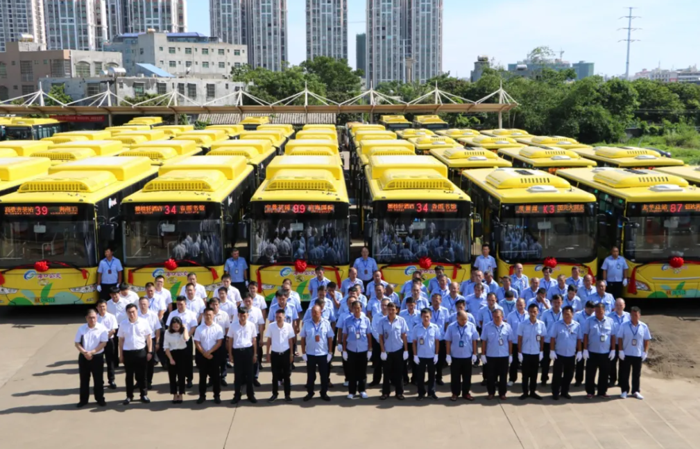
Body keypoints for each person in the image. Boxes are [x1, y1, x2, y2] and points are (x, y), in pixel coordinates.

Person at [118, 304, 153, 405]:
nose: (131, 314)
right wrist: (121, 355)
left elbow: (149, 337)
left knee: (142, 375)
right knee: (129, 376)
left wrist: (149, 351)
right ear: (126, 313)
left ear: (137, 311)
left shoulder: (143, 322)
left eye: (133, 311)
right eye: (129, 312)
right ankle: (129, 396)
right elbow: (121, 340)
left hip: (141, 352)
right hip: (128, 353)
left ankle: (144, 395)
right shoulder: (123, 324)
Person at [74, 309, 109, 407]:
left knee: (98, 380)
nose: (92, 320)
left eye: (94, 317)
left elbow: (103, 343)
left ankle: (100, 399)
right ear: (86, 318)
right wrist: (85, 352)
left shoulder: (102, 328)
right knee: (84, 379)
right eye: (90, 318)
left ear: (96, 317)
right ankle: (83, 400)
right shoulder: (81, 329)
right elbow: (77, 343)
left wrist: (92, 352)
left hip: (97, 357)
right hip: (84, 356)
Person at [617, 306, 652, 400]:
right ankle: (624, 391)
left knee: (636, 374)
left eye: (635, 315)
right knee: (625, 373)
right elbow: (619, 338)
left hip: (638, 354)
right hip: (627, 353)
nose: (634, 317)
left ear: (639, 315)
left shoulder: (644, 326)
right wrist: (620, 350)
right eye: (632, 315)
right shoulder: (624, 325)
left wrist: (645, 352)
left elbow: (647, 339)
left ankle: (635, 391)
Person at [582, 303, 616, 398]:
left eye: (600, 311)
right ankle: (590, 392)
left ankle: (602, 391)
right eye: (596, 311)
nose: (598, 313)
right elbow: (585, 335)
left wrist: (613, 349)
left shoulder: (610, 321)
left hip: (605, 353)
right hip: (592, 352)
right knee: (590, 373)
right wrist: (585, 349)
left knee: (604, 373)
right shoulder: (589, 321)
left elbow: (613, 336)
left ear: (604, 311)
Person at [301, 305, 334, 401]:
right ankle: (310, 393)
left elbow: (330, 338)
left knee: (324, 376)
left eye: (316, 312)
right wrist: (303, 353)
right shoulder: (306, 323)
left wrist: (330, 353)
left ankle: (324, 393)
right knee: (310, 376)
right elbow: (302, 339)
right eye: (312, 312)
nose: (314, 314)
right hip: (310, 354)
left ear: (320, 313)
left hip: (323, 354)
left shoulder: (326, 323)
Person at [444, 310, 479, 401]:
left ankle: (466, 393)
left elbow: (474, 340)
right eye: (462, 319)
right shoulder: (451, 327)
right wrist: (448, 355)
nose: (464, 321)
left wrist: (475, 354)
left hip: (467, 356)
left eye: (465, 319)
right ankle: (455, 393)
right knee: (455, 376)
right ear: (457, 318)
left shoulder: (471, 326)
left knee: (467, 376)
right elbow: (448, 341)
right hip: (455, 357)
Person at [378, 302, 409, 400]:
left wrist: (406, 350)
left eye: (393, 309)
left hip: (398, 350)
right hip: (387, 351)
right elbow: (381, 337)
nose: (391, 312)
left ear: (396, 310)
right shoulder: (382, 321)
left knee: (399, 373)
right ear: (386, 310)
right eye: (389, 309)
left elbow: (404, 336)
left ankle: (399, 393)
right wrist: (382, 351)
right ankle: (385, 392)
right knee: (386, 373)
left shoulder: (401, 320)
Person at [342, 300, 373, 399]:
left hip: (363, 350)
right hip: (351, 350)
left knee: (362, 372)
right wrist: (344, 351)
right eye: (354, 308)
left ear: (361, 308)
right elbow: (344, 336)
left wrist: (369, 350)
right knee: (352, 372)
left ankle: (362, 390)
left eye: (358, 308)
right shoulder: (347, 320)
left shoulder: (366, 320)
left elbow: (369, 336)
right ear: (352, 309)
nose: (356, 310)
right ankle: (352, 391)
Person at [549, 305, 581, 400]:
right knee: (557, 376)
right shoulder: (557, 324)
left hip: (571, 355)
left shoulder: (577, 325)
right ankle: (555, 392)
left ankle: (564, 391)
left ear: (572, 314)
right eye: (564, 314)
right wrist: (552, 351)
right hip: (559, 354)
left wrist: (579, 351)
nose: (566, 316)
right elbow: (552, 338)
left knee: (569, 375)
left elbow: (579, 339)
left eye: (568, 314)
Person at [166, 296, 199, 388]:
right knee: (177, 360)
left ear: (185, 304)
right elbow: (168, 327)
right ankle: (179, 379)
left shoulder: (191, 314)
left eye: (181, 304)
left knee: (188, 360)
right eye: (178, 304)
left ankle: (189, 379)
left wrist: (187, 336)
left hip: (186, 340)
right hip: (174, 341)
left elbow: (193, 327)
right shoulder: (172, 314)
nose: (179, 306)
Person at [228, 306, 258, 404]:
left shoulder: (251, 325)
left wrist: (255, 354)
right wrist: (230, 354)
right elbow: (230, 340)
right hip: (237, 352)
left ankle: (250, 395)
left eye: (244, 315)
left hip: (248, 351)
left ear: (247, 315)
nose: (242, 317)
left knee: (250, 375)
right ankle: (237, 395)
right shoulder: (233, 325)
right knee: (238, 376)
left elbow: (254, 340)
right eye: (240, 315)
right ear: (238, 315)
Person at [194, 308, 225, 404]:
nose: (208, 317)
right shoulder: (199, 328)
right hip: (202, 355)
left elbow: (219, 342)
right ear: (203, 316)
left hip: (214, 355)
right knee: (202, 377)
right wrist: (204, 353)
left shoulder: (218, 328)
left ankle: (217, 395)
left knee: (216, 377)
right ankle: (202, 396)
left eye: (210, 315)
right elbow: (197, 342)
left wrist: (210, 352)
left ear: (213, 316)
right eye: (206, 315)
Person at [265, 308, 295, 402]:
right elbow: (269, 340)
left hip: (285, 354)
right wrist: (267, 353)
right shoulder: (271, 326)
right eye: (277, 317)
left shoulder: (288, 326)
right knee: (275, 376)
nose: (278, 318)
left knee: (287, 375)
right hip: (275, 354)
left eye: (280, 317)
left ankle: (287, 395)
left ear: (284, 317)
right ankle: (274, 394)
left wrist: (291, 354)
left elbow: (291, 341)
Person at [480, 309, 512, 400]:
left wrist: (510, 355)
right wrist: (483, 354)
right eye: (494, 317)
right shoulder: (487, 326)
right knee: (491, 376)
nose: (496, 319)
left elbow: (510, 341)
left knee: (503, 376)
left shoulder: (507, 327)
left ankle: (502, 393)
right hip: (491, 355)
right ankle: (491, 393)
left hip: (503, 355)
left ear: (502, 317)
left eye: (498, 317)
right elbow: (484, 341)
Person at [411, 308, 441, 400]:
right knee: (420, 376)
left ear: (430, 317)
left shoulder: (435, 327)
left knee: (432, 375)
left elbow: (437, 342)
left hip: (431, 356)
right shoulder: (416, 328)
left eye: (427, 316)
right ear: (421, 317)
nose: (426, 318)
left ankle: (431, 392)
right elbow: (414, 342)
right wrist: (415, 355)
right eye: (424, 316)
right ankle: (421, 393)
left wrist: (436, 354)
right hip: (420, 356)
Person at [517, 303, 546, 400]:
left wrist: (541, 351)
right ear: (528, 312)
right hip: (525, 353)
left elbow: (542, 339)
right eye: (531, 312)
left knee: (534, 374)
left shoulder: (541, 324)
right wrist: (519, 352)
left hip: (535, 353)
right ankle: (525, 392)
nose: (533, 314)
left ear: (537, 312)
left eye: (535, 311)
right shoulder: (523, 324)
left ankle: (533, 392)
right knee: (525, 375)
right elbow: (520, 339)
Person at [137, 297, 162, 390]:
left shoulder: (153, 315)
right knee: (139, 362)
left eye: (145, 304)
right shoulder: (136, 315)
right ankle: (139, 381)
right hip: (139, 341)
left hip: (151, 340)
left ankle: (148, 381)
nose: (143, 306)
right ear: (139, 305)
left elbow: (158, 329)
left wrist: (158, 342)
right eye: (141, 304)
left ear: (148, 305)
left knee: (150, 363)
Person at [164, 317, 190, 403]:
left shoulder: (183, 332)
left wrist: (185, 328)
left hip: (182, 354)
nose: (175, 327)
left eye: (177, 325)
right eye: (174, 325)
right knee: (172, 376)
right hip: (171, 354)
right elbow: (166, 346)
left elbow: (186, 338)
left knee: (181, 375)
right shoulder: (167, 332)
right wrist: (171, 359)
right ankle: (174, 394)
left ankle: (181, 394)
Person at [540, 294, 563, 386]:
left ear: (562, 302)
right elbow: (542, 327)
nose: (557, 304)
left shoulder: (564, 313)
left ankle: (557, 380)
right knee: (545, 362)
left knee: (559, 364)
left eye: (558, 302)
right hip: (547, 341)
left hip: (560, 342)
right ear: (552, 302)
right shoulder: (546, 313)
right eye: (555, 302)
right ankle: (544, 379)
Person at [96, 299, 118, 389]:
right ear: (97, 308)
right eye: (100, 307)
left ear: (106, 306)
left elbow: (113, 330)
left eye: (103, 306)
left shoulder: (111, 317)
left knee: (110, 362)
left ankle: (111, 380)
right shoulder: (95, 317)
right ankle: (99, 382)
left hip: (109, 341)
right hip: (98, 342)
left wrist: (105, 339)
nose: (102, 308)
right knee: (98, 363)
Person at [608, 297, 630, 386]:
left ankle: (622, 381)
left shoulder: (628, 316)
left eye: (620, 305)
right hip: (613, 344)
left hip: (624, 345)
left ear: (624, 306)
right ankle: (612, 380)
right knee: (612, 363)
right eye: (617, 305)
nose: (619, 307)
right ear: (614, 306)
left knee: (624, 364)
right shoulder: (609, 316)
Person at [208, 298, 230, 386]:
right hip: (210, 340)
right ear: (210, 305)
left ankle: (223, 377)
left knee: (223, 359)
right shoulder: (207, 314)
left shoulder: (224, 314)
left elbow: (227, 328)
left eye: (216, 304)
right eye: (213, 304)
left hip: (222, 339)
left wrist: (227, 340)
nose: (215, 306)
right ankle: (212, 378)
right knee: (211, 359)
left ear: (219, 305)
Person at [399, 296, 421, 384]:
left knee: (415, 361)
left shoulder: (419, 314)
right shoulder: (402, 314)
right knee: (403, 361)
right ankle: (405, 379)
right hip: (405, 341)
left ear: (415, 304)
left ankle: (414, 379)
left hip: (415, 341)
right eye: (409, 305)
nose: (411, 307)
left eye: (412, 305)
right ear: (406, 305)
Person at [429, 294, 450, 385]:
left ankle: (439, 377)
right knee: (431, 360)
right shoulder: (428, 310)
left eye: (437, 300)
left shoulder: (445, 311)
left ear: (440, 301)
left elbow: (446, 324)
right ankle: (431, 378)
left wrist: (446, 337)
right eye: (433, 300)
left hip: (441, 338)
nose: (435, 302)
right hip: (430, 339)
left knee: (440, 360)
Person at [574, 301, 595, 386]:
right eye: (589, 310)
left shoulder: (594, 315)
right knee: (580, 362)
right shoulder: (578, 315)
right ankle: (578, 380)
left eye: (592, 310)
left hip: (591, 342)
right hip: (581, 341)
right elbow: (574, 328)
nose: (591, 312)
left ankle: (590, 381)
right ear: (585, 308)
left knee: (591, 364)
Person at [506, 298, 526, 386]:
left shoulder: (528, 315)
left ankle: (525, 379)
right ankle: (512, 379)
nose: (520, 307)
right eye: (518, 305)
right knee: (513, 362)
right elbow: (509, 329)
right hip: (514, 342)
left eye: (521, 305)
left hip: (525, 343)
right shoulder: (511, 315)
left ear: (524, 305)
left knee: (525, 363)